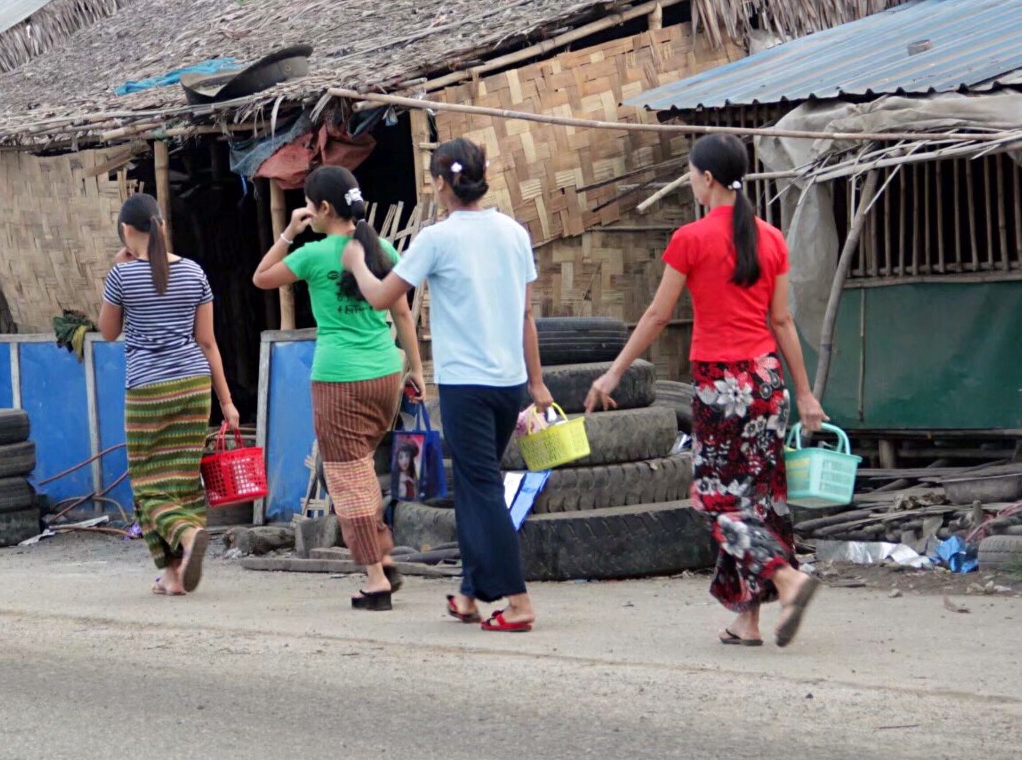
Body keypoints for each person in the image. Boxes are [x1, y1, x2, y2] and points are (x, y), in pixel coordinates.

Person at [574, 134, 826, 648]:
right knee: (759, 501)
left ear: (707, 179)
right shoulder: (770, 238)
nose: (692, 181)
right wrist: (805, 393)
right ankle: (748, 620)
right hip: (767, 383)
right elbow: (782, 320)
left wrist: (613, 373)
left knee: (715, 499)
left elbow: (657, 315)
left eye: (691, 173)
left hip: (721, 387)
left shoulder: (690, 238)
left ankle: (785, 576)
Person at [343, 139, 553, 633]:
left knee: (481, 489)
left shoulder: (437, 239)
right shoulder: (513, 232)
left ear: (440, 183)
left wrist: (356, 262)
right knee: (476, 487)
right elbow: (526, 315)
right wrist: (538, 382)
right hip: (510, 383)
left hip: (465, 386)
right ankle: (468, 594)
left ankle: (518, 601)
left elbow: (379, 298)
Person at [252, 166, 426, 611]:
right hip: (386, 372)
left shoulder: (313, 255)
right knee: (362, 467)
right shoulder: (382, 246)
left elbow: (262, 277)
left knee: (347, 476)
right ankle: (381, 551)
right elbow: (403, 315)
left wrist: (289, 232)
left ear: (322, 209)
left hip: (339, 379)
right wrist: (418, 370)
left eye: (309, 205)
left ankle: (375, 577)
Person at [98, 193, 240, 597]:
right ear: (159, 225)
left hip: (148, 391)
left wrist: (115, 272)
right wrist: (227, 401)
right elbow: (208, 343)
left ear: (127, 230)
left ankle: (189, 535)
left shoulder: (121, 276)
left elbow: (108, 333)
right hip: (194, 387)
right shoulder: (195, 272)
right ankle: (173, 575)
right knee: (182, 482)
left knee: (148, 485)